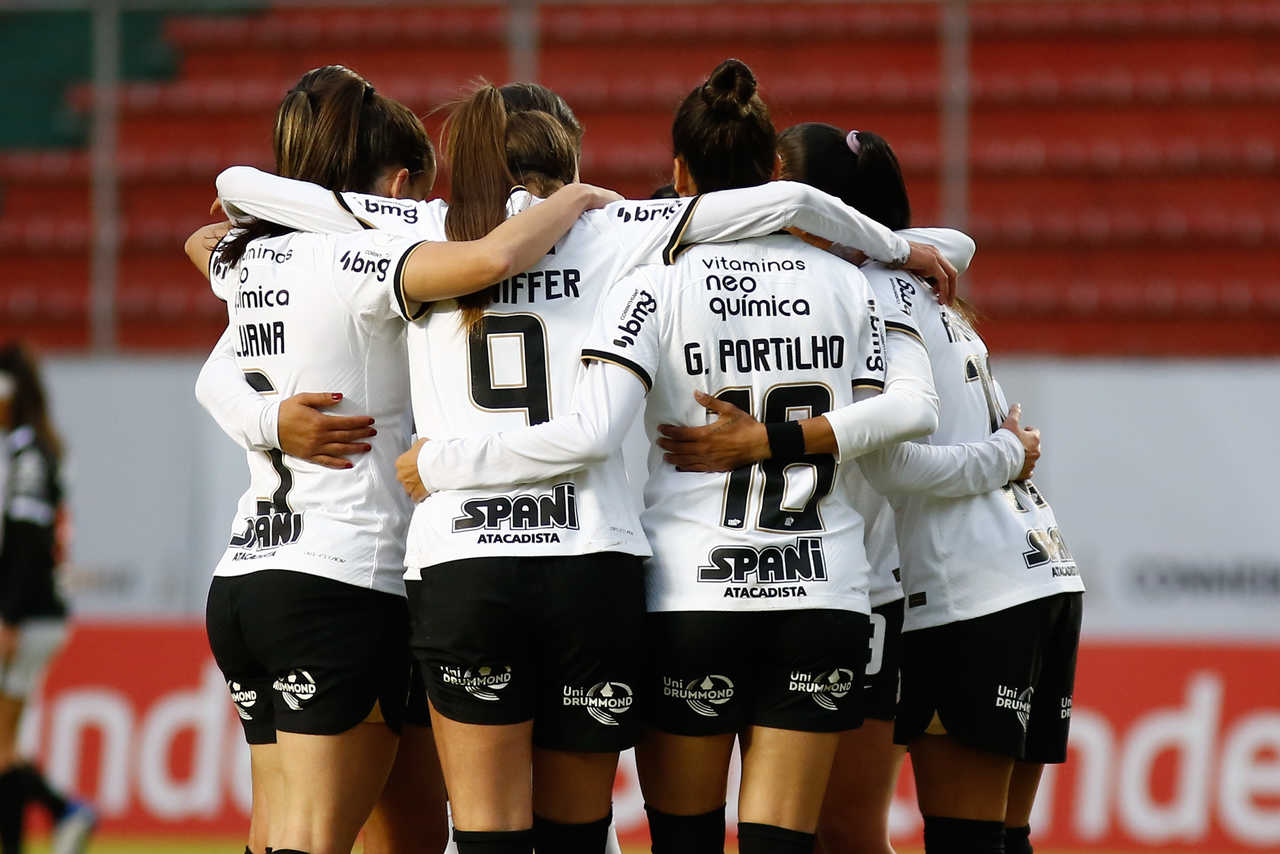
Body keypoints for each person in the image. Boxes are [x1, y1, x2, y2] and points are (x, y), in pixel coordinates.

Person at [204, 73, 964, 854]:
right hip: (591, 565)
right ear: (568, 158)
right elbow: (793, 206)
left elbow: (243, 190)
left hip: (464, 565)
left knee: (486, 834)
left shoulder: (423, 232)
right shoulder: (620, 227)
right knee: (579, 837)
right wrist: (902, 247)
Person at [186, 65, 623, 854]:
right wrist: (578, 197)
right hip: (347, 574)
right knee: (313, 839)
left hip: (252, 571)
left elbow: (210, 310)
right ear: (395, 183)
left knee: (379, 831)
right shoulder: (368, 260)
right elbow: (491, 260)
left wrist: (265, 419)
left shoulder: (251, 258)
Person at [660, 125, 1079, 854]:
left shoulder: (872, 291)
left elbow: (896, 462)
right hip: (1029, 574)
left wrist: (1004, 456)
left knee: (869, 833)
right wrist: (1008, 452)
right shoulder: (912, 277)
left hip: (953, 593)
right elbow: (953, 245)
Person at [0, 343, 96, 854]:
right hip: (37, 611)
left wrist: (9, 615)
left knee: (1, 745)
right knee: (4, 743)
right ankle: (65, 812)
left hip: (28, 613)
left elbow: (27, 537)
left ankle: (60, 815)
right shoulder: (38, 447)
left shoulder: (29, 454)